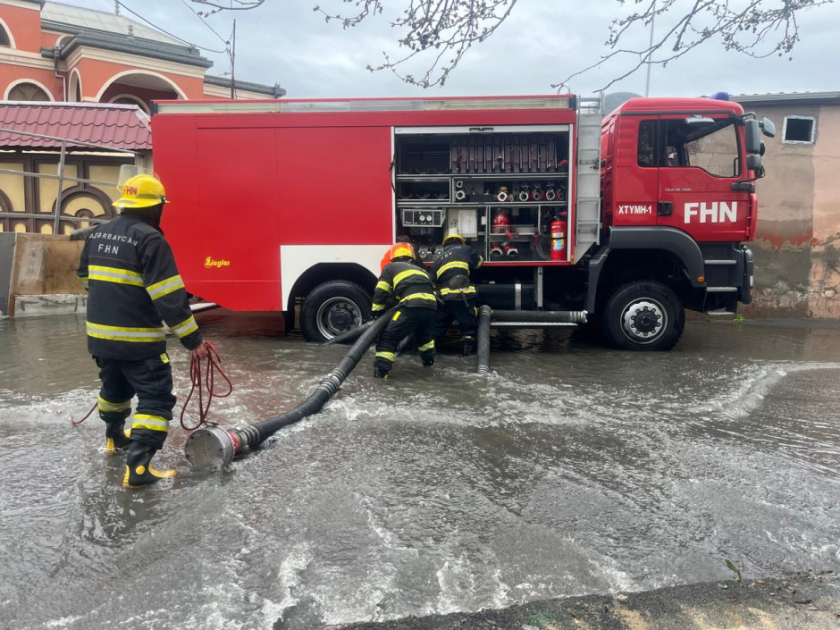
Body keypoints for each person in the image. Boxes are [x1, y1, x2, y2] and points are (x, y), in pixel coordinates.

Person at [77, 173, 209, 488]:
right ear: (155, 207)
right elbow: (169, 297)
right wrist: (194, 340)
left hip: (100, 339)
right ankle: (138, 470)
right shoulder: (150, 239)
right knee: (156, 399)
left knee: (114, 391)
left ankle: (114, 440)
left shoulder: (97, 234)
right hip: (138, 342)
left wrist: (113, 299)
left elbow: (85, 278)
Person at [371, 243, 437, 379]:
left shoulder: (391, 267)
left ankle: (381, 374)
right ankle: (429, 364)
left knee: (388, 337)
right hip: (431, 306)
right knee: (424, 338)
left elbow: (381, 292)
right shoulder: (422, 271)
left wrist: (376, 313)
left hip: (412, 304)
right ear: (411, 257)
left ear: (393, 257)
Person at [431, 232, 483, 353]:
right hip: (463, 298)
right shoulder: (466, 249)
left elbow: (432, 283)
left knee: (436, 329)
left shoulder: (438, 259)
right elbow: (479, 263)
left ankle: (428, 354)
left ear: (445, 245)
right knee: (468, 327)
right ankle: (467, 353)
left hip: (444, 300)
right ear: (461, 242)